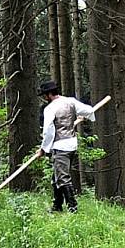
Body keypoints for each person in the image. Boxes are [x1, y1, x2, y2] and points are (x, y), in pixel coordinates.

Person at [37, 80, 96, 212]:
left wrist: (43, 149)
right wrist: (86, 116)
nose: (43, 98)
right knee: (56, 176)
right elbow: (89, 110)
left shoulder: (50, 109)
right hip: (72, 145)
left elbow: (48, 131)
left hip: (60, 147)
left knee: (62, 178)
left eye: (44, 95)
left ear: (49, 94)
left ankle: (73, 208)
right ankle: (57, 206)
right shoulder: (70, 101)